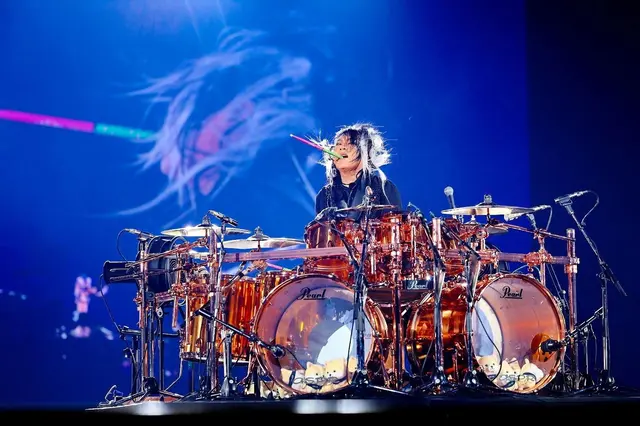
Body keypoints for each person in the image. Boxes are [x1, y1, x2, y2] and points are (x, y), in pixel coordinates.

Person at [314, 123, 402, 215]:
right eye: (338, 143)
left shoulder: (383, 188)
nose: (342, 147)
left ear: (365, 152)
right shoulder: (324, 195)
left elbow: (394, 222)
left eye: (351, 143)